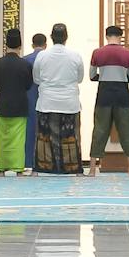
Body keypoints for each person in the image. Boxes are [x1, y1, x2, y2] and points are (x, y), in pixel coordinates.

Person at [31, 22, 85, 173]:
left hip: (46, 101)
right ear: (66, 37)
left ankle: (45, 166)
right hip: (70, 102)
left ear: (51, 37)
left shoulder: (42, 55)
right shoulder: (75, 56)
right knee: (70, 137)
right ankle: (71, 167)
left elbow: (36, 78)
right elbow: (79, 78)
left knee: (45, 136)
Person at [88, 22, 129, 175]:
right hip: (122, 95)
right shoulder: (127, 54)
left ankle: (91, 169)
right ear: (120, 37)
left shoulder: (97, 53)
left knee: (99, 130)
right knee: (126, 130)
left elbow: (91, 75)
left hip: (104, 93)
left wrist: (102, 76)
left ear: (106, 36)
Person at [0, 26, 35, 174]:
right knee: (18, 139)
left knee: (2, 138)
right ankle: (18, 168)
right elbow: (29, 84)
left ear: (6, 45)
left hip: (2, 104)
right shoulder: (25, 64)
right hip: (20, 105)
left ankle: (1, 168)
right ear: (20, 46)